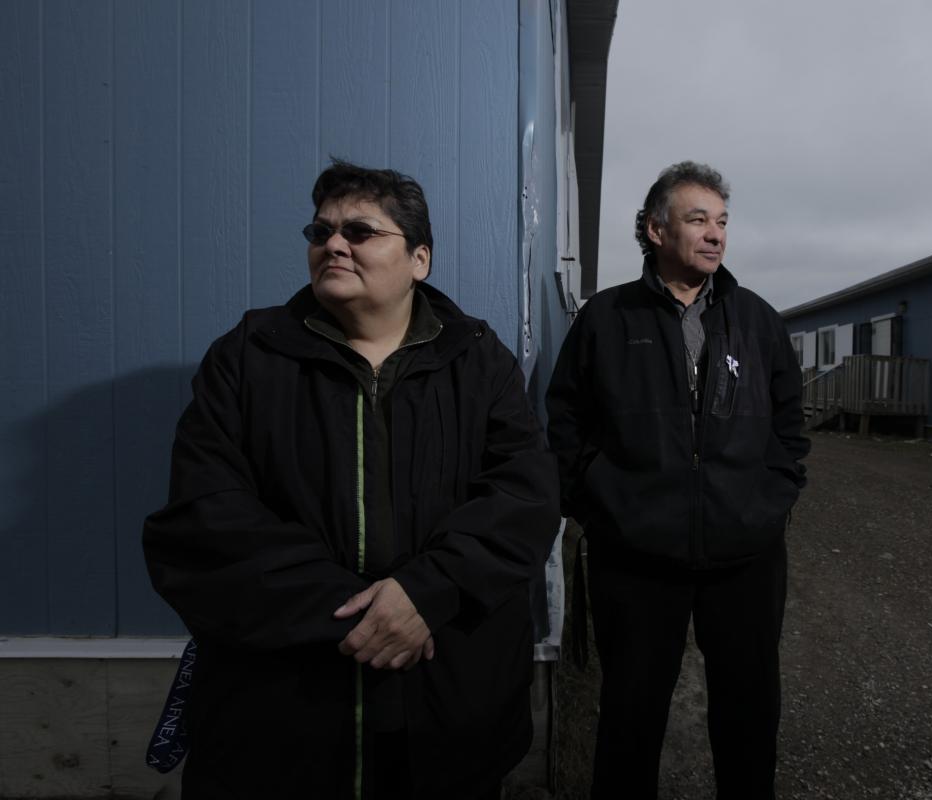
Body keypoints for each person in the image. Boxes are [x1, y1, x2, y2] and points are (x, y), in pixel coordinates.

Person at [143, 159, 559, 799]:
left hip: (444, 705)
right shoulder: (249, 357)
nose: (332, 244)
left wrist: (426, 593)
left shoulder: (478, 358)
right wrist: (354, 615)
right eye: (319, 232)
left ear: (419, 259)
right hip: (283, 716)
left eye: (360, 231)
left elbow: (524, 496)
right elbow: (206, 518)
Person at [545, 161, 810, 798]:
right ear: (655, 229)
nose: (715, 234)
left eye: (722, 222)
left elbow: (790, 432)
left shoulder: (758, 321)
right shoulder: (606, 320)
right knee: (632, 716)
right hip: (636, 560)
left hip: (744, 559)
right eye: (698, 220)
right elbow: (563, 424)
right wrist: (604, 506)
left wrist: (765, 505)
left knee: (749, 714)